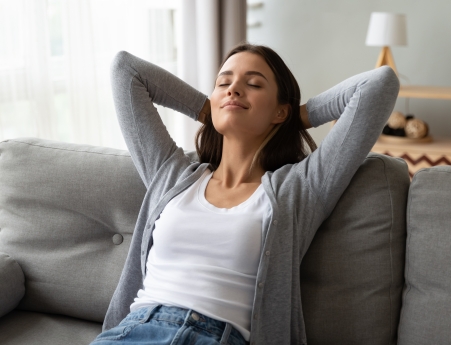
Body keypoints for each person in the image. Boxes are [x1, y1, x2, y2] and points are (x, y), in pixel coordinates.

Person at [90, 43, 399, 345]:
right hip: (133, 331)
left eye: (252, 84)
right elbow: (125, 70)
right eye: (224, 82)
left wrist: (296, 118)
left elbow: (379, 84)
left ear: (279, 111)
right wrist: (206, 108)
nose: (233, 89)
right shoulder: (170, 174)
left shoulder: (300, 188)